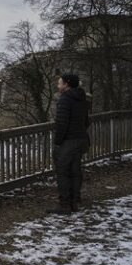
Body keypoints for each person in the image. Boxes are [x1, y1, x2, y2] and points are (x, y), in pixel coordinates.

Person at [48, 73, 91, 214]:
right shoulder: (82, 98)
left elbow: (62, 124)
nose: (58, 85)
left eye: (60, 83)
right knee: (75, 171)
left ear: (66, 84)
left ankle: (65, 204)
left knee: (62, 172)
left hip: (68, 141)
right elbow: (86, 122)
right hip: (81, 139)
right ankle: (74, 201)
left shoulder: (65, 100)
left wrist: (57, 143)